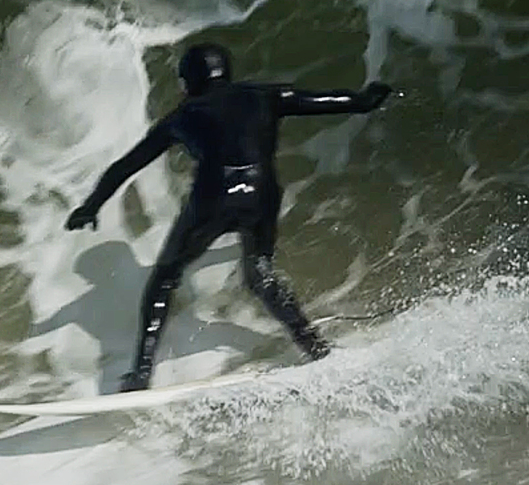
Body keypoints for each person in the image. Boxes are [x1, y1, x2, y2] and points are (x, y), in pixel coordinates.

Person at [64, 42, 394, 392]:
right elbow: (321, 101)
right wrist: (364, 100)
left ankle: (141, 373)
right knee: (260, 274)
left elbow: (126, 165)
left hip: (213, 196)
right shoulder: (264, 95)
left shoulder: (182, 116)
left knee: (164, 277)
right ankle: (315, 348)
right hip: (262, 193)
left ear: (188, 81)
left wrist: (91, 205)